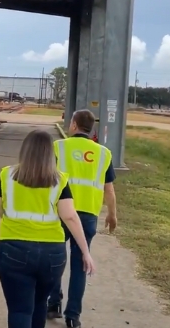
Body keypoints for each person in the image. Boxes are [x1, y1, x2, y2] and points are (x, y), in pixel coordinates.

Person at [0, 130, 95, 328]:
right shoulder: (60, 180)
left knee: (19, 309)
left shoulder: (7, 175)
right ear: (51, 154)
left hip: (13, 250)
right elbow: (70, 216)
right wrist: (85, 251)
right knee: (39, 303)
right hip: (52, 255)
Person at [47, 110, 117, 328]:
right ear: (91, 129)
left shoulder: (58, 147)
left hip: (59, 213)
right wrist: (112, 215)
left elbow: (46, 178)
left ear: (74, 125)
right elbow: (109, 190)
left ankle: (53, 304)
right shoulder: (103, 153)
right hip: (87, 216)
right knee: (80, 266)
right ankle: (73, 316)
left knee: (55, 260)